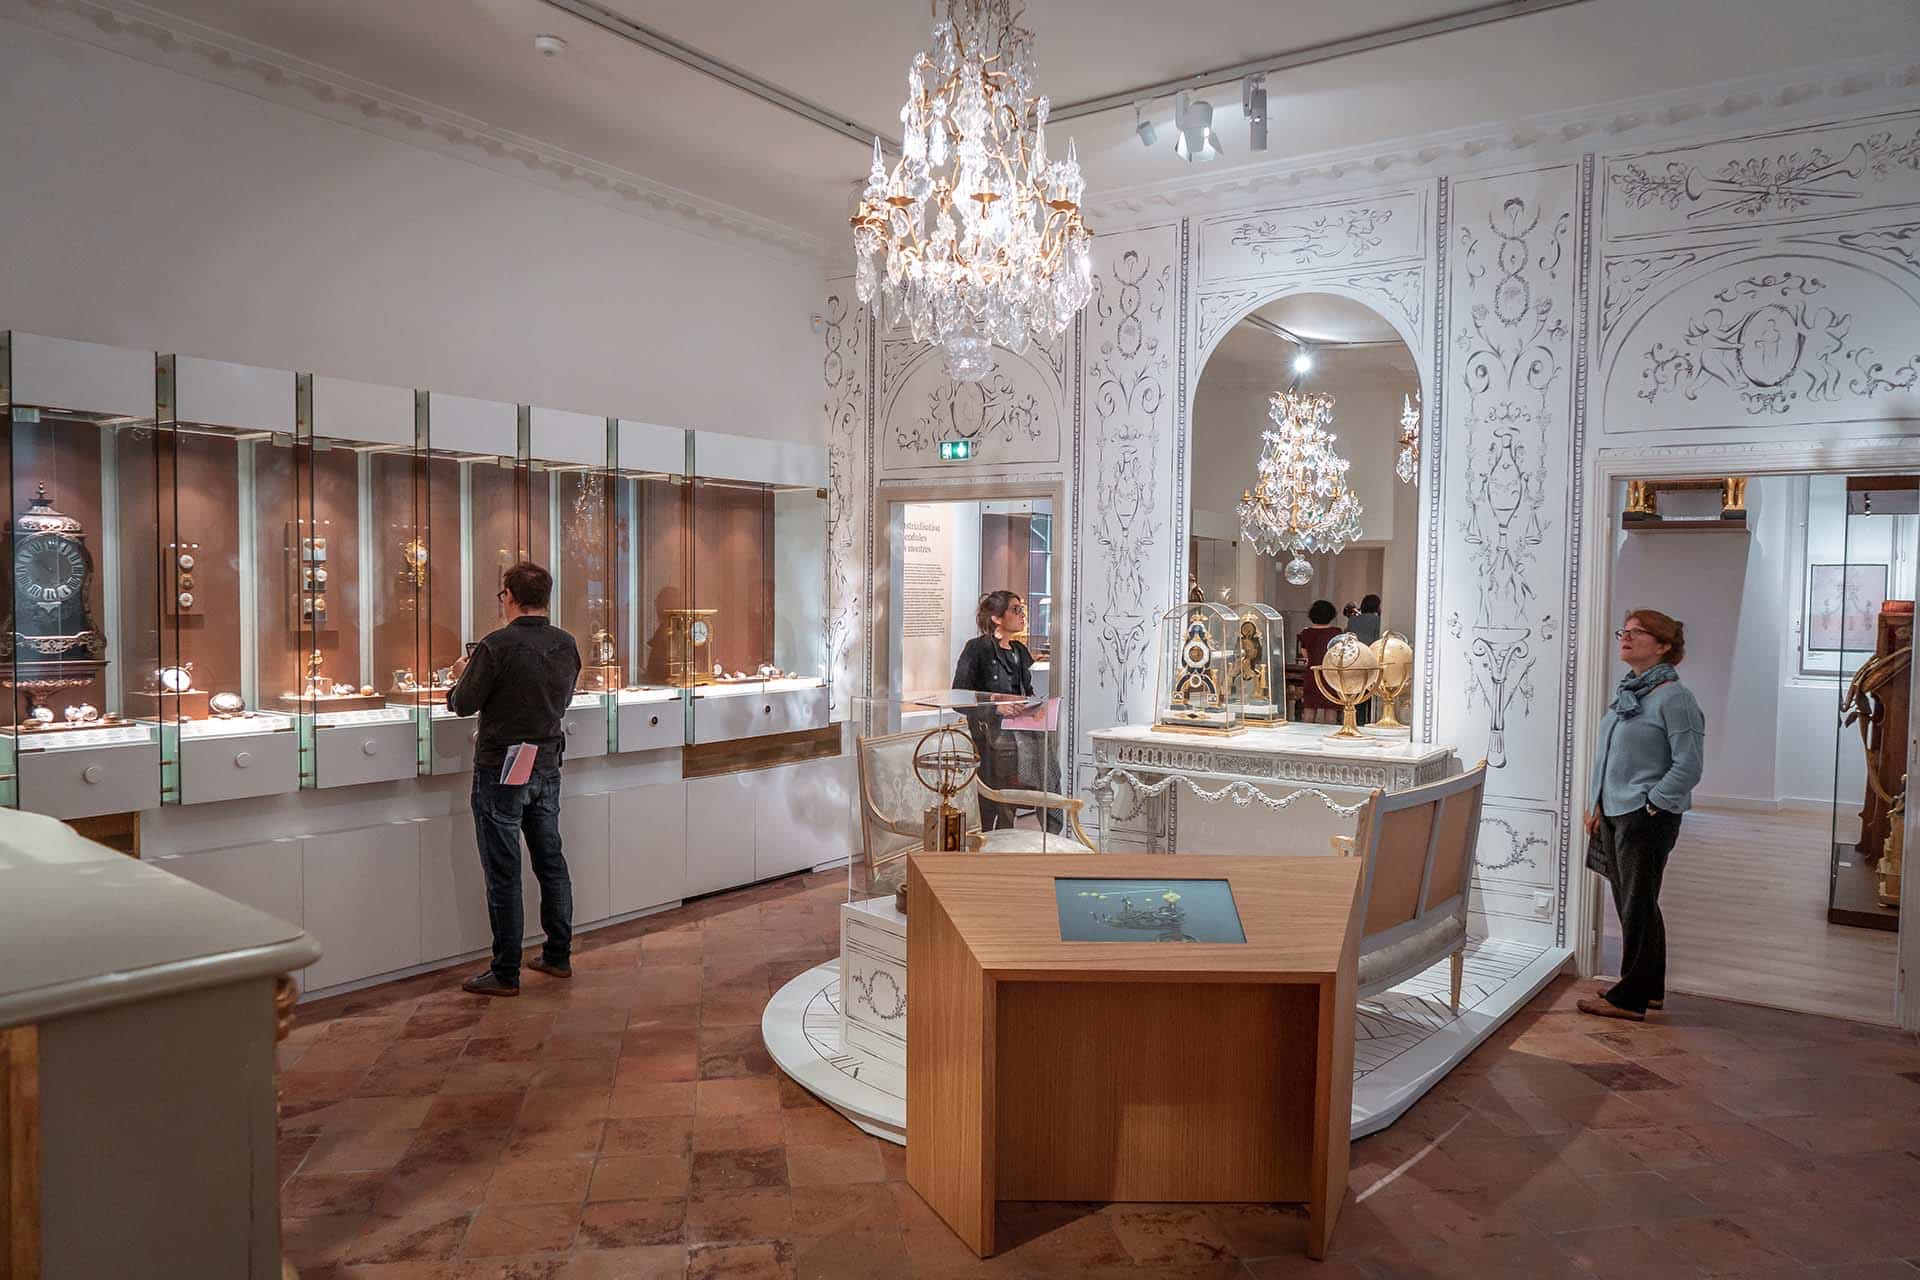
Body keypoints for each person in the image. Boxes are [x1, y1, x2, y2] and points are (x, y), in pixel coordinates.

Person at [447, 561, 583, 998]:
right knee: (551, 862)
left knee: (504, 872)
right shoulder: (566, 643)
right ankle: (558, 954)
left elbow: (463, 704)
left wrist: (459, 676)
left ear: (509, 596)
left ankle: (506, 971)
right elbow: (562, 698)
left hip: (501, 766)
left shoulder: (496, 645)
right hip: (546, 761)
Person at [1579, 609, 1705, 1022]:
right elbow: (1609, 754)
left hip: (1644, 816)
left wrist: (1652, 803)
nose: (1626, 638)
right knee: (1636, 903)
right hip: (1616, 811)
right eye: (1625, 631)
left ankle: (1628, 998)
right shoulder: (1631, 692)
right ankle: (1648, 990)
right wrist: (1597, 803)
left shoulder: (1675, 698)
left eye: (1638, 633)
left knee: (1637, 905)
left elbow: (1688, 765)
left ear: (1664, 646)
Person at [952, 590, 1060, 832]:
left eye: (1022, 609)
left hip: (1022, 738)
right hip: (992, 742)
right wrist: (995, 707)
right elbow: (959, 697)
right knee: (994, 803)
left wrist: (1035, 707)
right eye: (1015, 609)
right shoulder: (976, 649)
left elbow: (1026, 691)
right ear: (996, 618)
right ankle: (989, 846)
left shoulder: (1019, 651)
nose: (1023, 615)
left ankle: (1033, 838)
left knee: (1029, 790)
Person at [1296, 599, 1345, 725]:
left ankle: (1305, 734)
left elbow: (1304, 653)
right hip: (1330, 674)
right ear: (1331, 615)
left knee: (1309, 710)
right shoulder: (1336, 632)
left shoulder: (1306, 632)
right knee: (1331, 709)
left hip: (1312, 674)